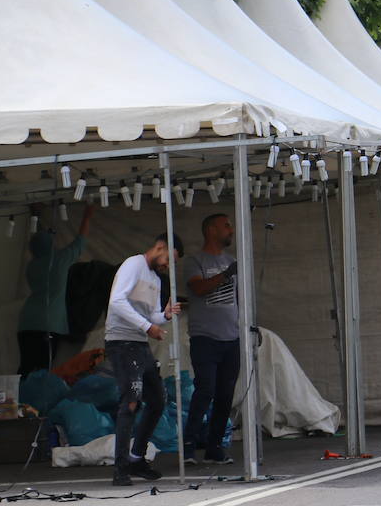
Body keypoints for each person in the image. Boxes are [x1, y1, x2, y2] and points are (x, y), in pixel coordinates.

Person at [105, 233, 183, 486]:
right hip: (121, 342)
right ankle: (121, 468)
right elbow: (116, 301)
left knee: (157, 400)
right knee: (130, 402)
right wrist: (148, 327)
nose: (168, 266)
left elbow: (151, 316)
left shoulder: (155, 279)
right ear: (159, 247)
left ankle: (136, 457)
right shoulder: (133, 264)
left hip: (139, 345)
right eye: (169, 259)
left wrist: (165, 316)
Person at [183, 213, 241, 465]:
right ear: (211, 230)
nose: (231, 230)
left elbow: (239, 298)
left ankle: (214, 446)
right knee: (205, 389)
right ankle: (188, 445)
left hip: (232, 337)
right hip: (204, 337)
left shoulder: (231, 260)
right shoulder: (195, 261)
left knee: (225, 393)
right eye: (226, 225)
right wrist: (226, 275)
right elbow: (198, 288)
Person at [17, 203, 93, 377]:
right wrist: (87, 216)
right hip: (49, 322)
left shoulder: (32, 266)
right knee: (44, 368)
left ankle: (20, 400)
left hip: (26, 323)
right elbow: (80, 241)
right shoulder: (60, 260)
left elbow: (42, 244)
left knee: (26, 367)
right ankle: (38, 403)